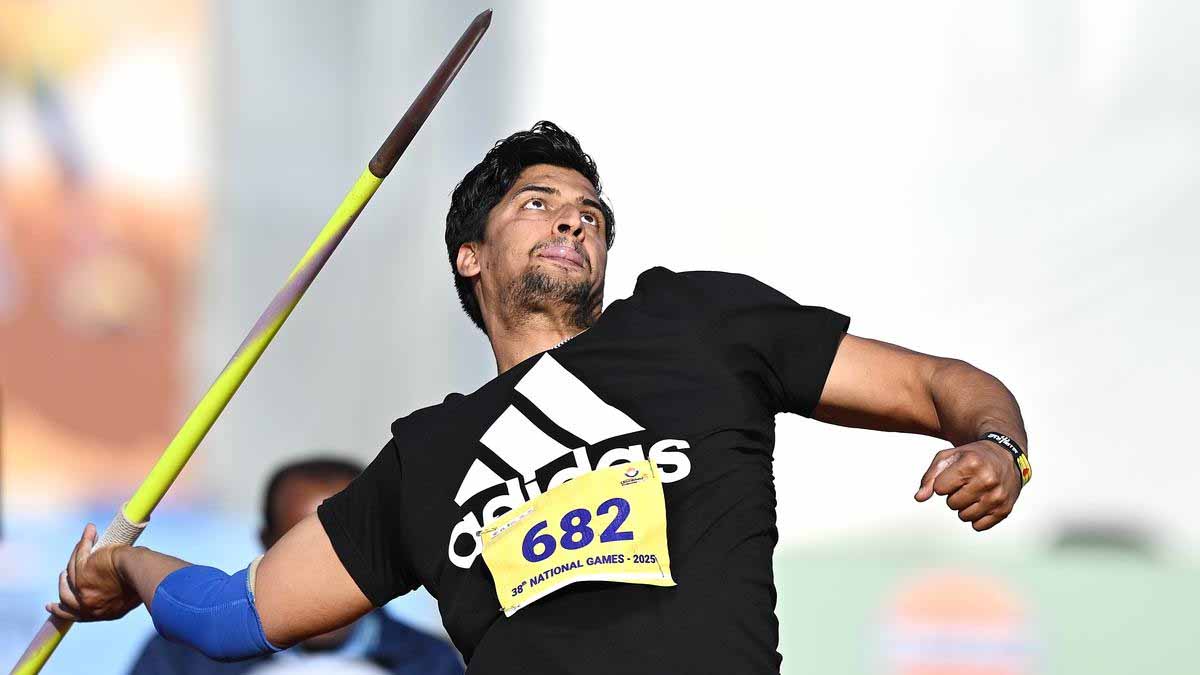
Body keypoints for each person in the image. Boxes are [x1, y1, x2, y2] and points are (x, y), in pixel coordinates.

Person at [52, 122, 1032, 675]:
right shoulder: (429, 459)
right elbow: (231, 612)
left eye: (591, 214)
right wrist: (125, 564)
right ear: (470, 256)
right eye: (539, 203)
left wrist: (997, 445)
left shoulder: (696, 324)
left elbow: (942, 385)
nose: (574, 219)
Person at [127, 458, 463, 675]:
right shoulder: (182, 659)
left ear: (381, 548)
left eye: (345, 555)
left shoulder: (431, 663)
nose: (321, 579)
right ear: (265, 542)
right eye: (297, 553)